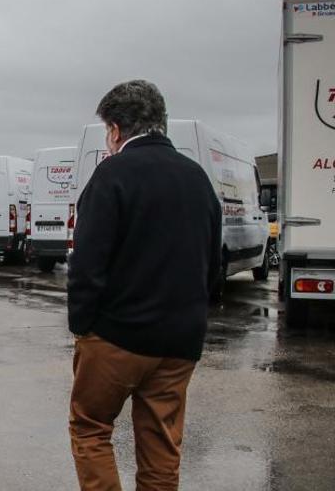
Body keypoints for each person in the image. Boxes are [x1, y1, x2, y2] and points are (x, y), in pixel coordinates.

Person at [67, 80, 222, 491]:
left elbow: (87, 261)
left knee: (91, 429)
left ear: (116, 130)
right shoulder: (197, 179)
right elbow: (213, 264)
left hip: (117, 336)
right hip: (179, 341)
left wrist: (82, 326)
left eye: (107, 131)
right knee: (160, 449)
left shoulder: (112, 174)